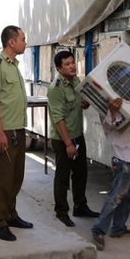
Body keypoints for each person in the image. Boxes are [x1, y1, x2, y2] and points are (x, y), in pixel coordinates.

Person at [0, 25, 33, 242]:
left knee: (16, 177)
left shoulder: (14, 66)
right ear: (11, 42)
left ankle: (11, 215)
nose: (25, 42)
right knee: (3, 178)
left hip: (18, 129)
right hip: (4, 131)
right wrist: (0, 132)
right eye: (23, 39)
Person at [47, 51, 99, 227]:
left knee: (80, 173)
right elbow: (58, 118)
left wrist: (83, 104)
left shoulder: (75, 81)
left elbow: (77, 104)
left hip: (77, 134)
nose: (72, 66)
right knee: (62, 176)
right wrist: (68, 143)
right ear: (59, 68)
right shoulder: (55, 88)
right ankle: (61, 211)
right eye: (67, 64)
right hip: (63, 139)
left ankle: (80, 206)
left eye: (72, 62)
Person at [91, 98, 130, 251]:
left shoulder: (119, 99)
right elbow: (110, 126)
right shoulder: (104, 102)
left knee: (128, 193)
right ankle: (99, 229)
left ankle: (118, 227)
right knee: (117, 195)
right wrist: (113, 112)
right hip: (123, 155)